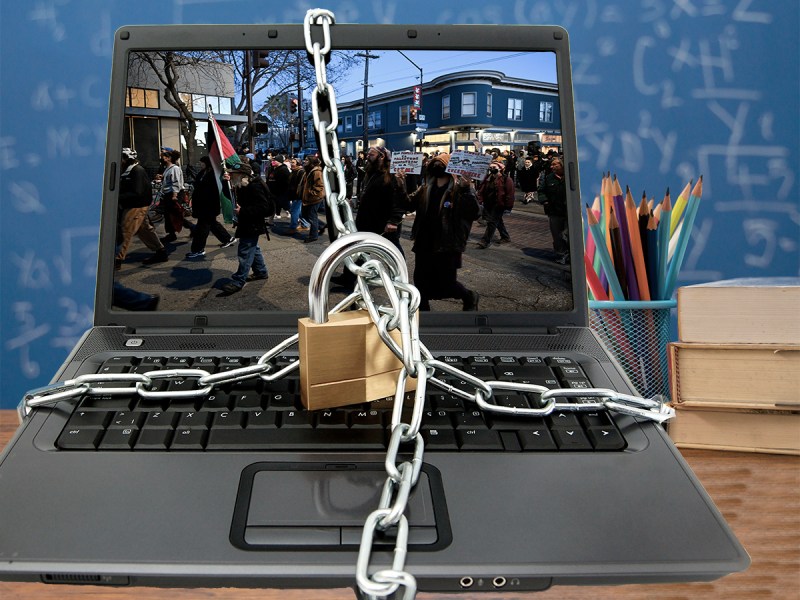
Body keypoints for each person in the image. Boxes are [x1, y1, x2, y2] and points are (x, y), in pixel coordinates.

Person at [398, 153, 481, 311]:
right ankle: (423, 313)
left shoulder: (458, 190)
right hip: (424, 242)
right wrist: (400, 182)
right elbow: (407, 205)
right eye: (434, 164)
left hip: (447, 244)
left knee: (447, 283)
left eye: (441, 164)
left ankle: (468, 295)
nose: (437, 167)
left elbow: (474, 213)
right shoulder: (424, 189)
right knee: (421, 281)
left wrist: (466, 189)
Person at [330, 146, 407, 288]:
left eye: (371, 154)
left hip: (384, 222)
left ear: (382, 156)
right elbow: (368, 192)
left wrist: (393, 221)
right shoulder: (372, 172)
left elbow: (399, 200)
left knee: (393, 250)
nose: (367, 156)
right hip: (366, 219)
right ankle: (348, 278)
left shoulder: (392, 174)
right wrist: (357, 200)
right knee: (357, 249)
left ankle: (401, 275)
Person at [219, 163, 273, 294]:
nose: (231, 175)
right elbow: (230, 196)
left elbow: (264, 208)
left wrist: (242, 211)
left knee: (245, 252)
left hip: (252, 224)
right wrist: (225, 183)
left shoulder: (254, 186)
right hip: (247, 223)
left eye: (233, 174)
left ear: (242, 175)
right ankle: (261, 272)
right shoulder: (243, 184)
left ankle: (238, 281)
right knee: (253, 249)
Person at [115, 148, 168, 267]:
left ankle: (117, 259)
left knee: (125, 231)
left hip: (136, 206)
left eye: (121, 158)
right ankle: (161, 252)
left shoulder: (136, 170)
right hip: (135, 204)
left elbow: (137, 191)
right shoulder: (129, 170)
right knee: (144, 230)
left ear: (126, 158)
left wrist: (118, 197)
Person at [185, 156, 237, 259]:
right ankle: (227, 239)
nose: (200, 164)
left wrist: (224, 179)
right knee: (212, 224)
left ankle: (198, 249)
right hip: (203, 205)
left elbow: (218, 187)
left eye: (202, 162)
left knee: (202, 228)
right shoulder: (203, 172)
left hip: (208, 205)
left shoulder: (214, 174)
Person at [537, 156, 570, 264]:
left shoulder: (569, 176)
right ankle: (561, 254)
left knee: (567, 234)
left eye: (555, 164)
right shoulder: (549, 177)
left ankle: (571, 254)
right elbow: (541, 190)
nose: (552, 167)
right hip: (554, 211)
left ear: (562, 165)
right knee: (557, 235)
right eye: (552, 164)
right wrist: (544, 201)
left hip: (568, 211)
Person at [476, 160, 514, 249]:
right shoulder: (488, 178)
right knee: (498, 221)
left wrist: (508, 207)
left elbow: (510, 194)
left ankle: (485, 241)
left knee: (492, 222)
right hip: (489, 204)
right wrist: (480, 200)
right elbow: (481, 189)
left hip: (499, 205)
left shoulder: (507, 179)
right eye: (490, 167)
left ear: (500, 169)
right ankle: (505, 237)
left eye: (494, 168)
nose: (491, 169)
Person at [158, 148, 190, 244]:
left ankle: (192, 228)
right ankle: (171, 234)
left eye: (163, 156)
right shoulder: (168, 168)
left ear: (168, 158)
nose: (161, 158)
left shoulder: (175, 168)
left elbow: (175, 182)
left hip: (173, 194)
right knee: (168, 215)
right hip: (168, 193)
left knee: (175, 214)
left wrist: (174, 195)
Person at [299, 155, 326, 243]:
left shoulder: (316, 171)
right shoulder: (308, 170)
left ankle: (313, 235)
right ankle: (321, 226)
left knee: (311, 216)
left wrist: (311, 193)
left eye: (306, 160)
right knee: (305, 215)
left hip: (314, 198)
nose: (304, 161)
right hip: (307, 197)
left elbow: (319, 185)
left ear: (311, 161)